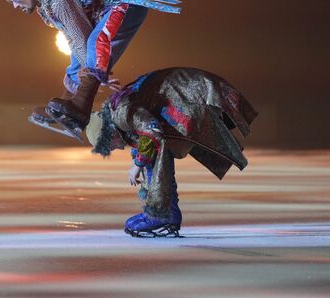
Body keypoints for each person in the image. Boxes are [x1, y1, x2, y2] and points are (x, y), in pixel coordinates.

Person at [0, 0, 181, 136]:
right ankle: (67, 107)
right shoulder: (46, 0)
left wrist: (99, 73)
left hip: (126, 4)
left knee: (93, 44)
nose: (15, 5)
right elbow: (72, 39)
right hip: (108, 10)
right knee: (77, 56)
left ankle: (80, 109)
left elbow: (80, 37)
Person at [85, 67, 258, 237]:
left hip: (191, 99)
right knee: (151, 149)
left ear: (109, 133)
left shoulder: (121, 112)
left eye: (110, 146)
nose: (116, 148)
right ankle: (167, 213)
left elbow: (151, 129)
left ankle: (160, 214)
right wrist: (138, 161)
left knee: (154, 150)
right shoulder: (119, 114)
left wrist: (137, 165)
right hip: (183, 100)